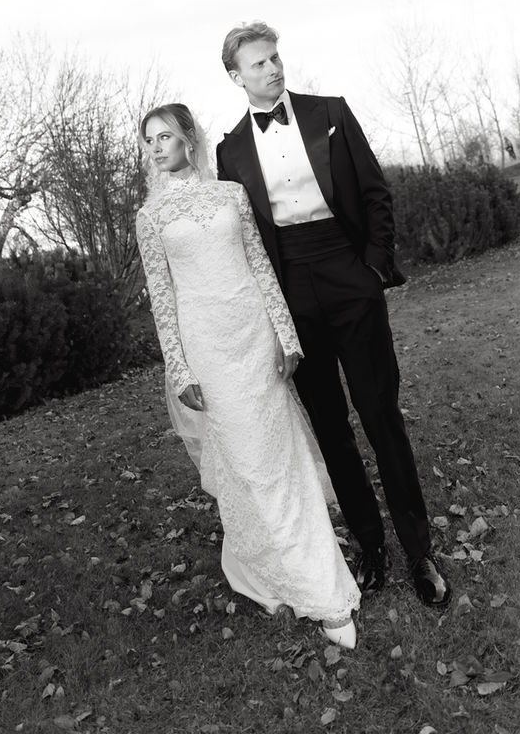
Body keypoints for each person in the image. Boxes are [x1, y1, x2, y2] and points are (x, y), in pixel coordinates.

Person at [216, 21, 451, 608]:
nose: (272, 69)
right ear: (235, 76)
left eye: (275, 57)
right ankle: (370, 548)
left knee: (380, 413)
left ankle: (418, 551)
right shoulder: (229, 151)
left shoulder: (332, 113)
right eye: (258, 64)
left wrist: (372, 269)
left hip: (348, 274)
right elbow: (243, 240)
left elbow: (375, 192)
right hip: (290, 288)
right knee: (331, 427)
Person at [136, 102, 361, 647]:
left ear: (189, 138)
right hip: (207, 350)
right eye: (148, 141)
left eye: (166, 136)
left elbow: (261, 265)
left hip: (256, 338)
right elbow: (162, 300)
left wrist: (285, 335)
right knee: (249, 466)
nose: (157, 147)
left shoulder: (231, 196)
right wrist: (179, 366)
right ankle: (275, 568)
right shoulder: (149, 218)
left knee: (279, 458)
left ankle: (314, 576)